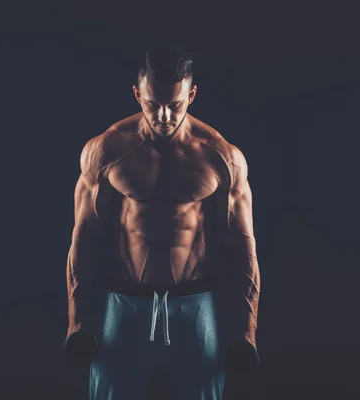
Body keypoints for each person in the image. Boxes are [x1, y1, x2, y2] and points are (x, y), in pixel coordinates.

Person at [63, 46, 261, 400]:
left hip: (196, 303)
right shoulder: (107, 152)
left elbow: (243, 243)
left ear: (192, 94)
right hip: (124, 302)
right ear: (138, 94)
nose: (165, 116)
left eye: (177, 104)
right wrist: (76, 323)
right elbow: (84, 237)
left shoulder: (221, 158)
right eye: (153, 104)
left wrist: (247, 331)